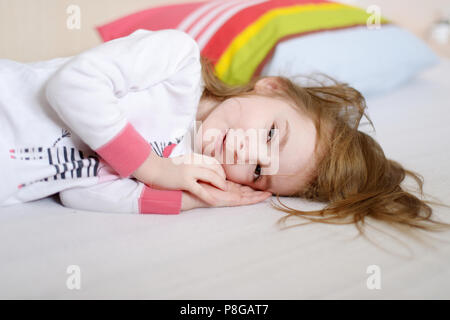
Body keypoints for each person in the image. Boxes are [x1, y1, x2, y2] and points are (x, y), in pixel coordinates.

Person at [0, 29, 447, 236]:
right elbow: (73, 84)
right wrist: (151, 168)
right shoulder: (176, 64)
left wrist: (184, 197)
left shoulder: (178, 163)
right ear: (271, 87)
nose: (247, 153)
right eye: (272, 134)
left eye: (257, 171)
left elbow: (77, 192)